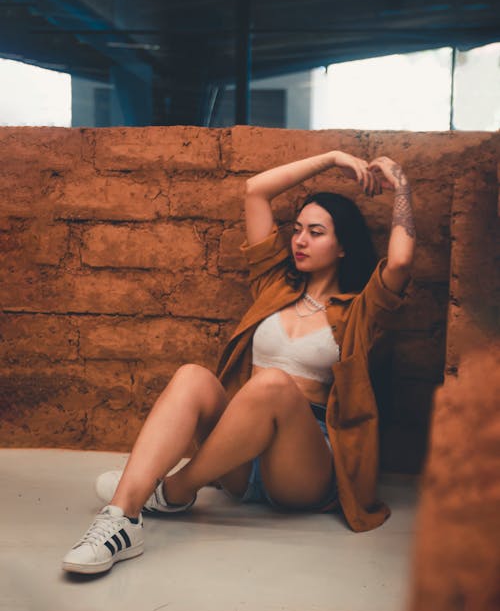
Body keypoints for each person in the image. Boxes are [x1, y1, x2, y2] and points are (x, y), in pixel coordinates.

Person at [62, 149, 415, 574]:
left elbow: (400, 261)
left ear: (343, 248)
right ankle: (119, 521)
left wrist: (401, 185)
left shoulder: (359, 309)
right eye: (298, 229)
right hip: (240, 458)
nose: (300, 240)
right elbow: (256, 191)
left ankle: (173, 490)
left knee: (273, 385)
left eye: (316, 232)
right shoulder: (274, 285)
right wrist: (332, 158)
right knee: (193, 376)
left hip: (305, 467)